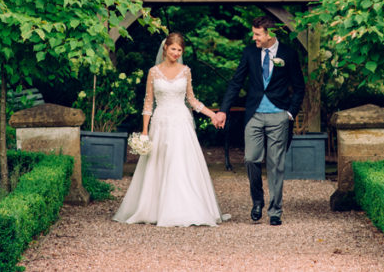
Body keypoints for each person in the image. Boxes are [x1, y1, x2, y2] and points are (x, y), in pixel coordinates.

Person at [113, 32, 228, 226]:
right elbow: (148, 103)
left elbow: (192, 100)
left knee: (181, 163)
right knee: (159, 163)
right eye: (173, 48)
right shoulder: (153, 72)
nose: (176, 53)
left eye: (179, 50)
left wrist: (213, 115)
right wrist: (144, 131)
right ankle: (155, 209)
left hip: (181, 122)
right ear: (165, 48)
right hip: (160, 122)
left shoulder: (185, 71)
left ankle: (185, 208)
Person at [213, 15, 304, 226]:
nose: (254, 38)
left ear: (270, 34)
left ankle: (275, 211)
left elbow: (299, 87)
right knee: (251, 159)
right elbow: (236, 82)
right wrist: (223, 110)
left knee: (276, 165)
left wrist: (290, 113)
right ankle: (257, 201)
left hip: (279, 116)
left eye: (257, 34)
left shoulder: (288, 54)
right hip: (253, 115)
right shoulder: (249, 52)